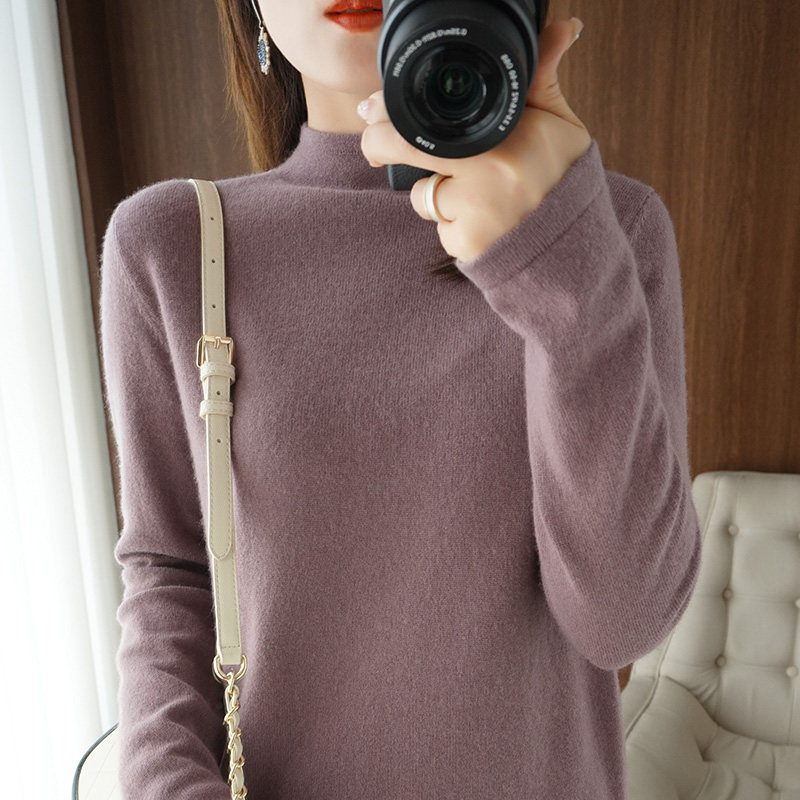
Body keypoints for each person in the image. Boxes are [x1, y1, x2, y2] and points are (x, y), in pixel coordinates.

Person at [99, 0, 702, 798]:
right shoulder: (173, 245)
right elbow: (171, 571)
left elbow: (625, 620)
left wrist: (565, 267)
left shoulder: (610, 229)